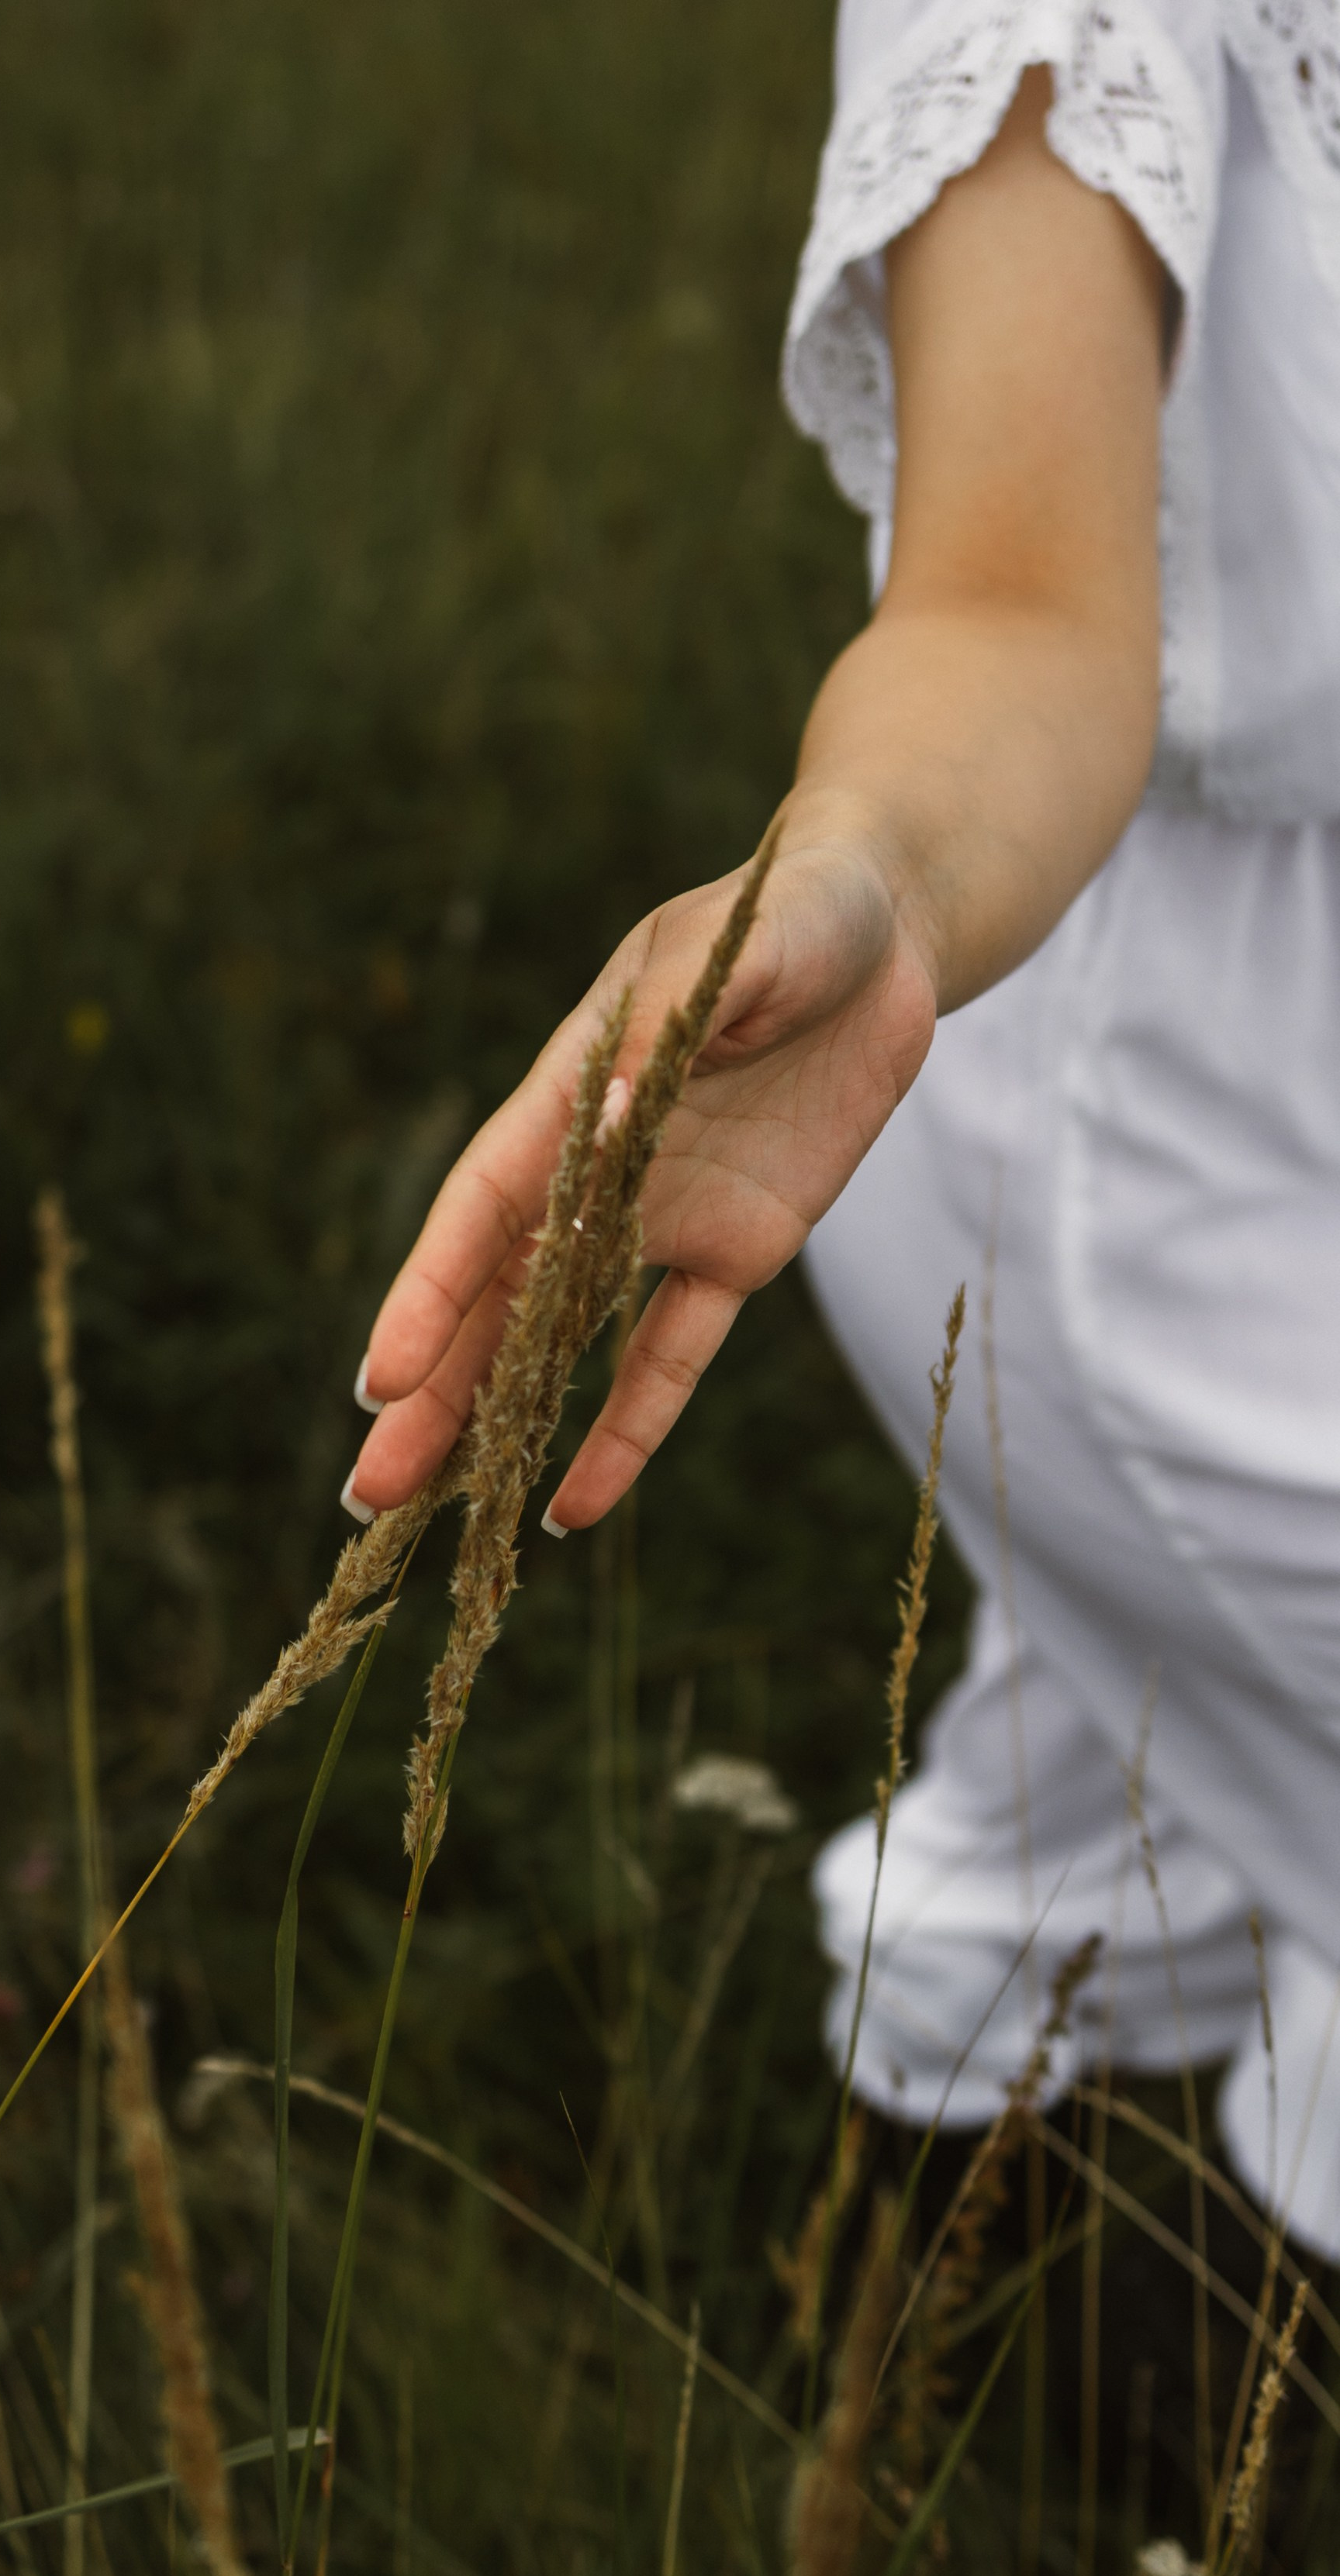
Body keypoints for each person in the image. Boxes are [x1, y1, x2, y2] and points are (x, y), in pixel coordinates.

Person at [344, 0, 1340, 2261]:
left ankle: (1037, 2336)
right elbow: (1016, 604)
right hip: (1160, 1089)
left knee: (1133, 1748)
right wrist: (867, 865)